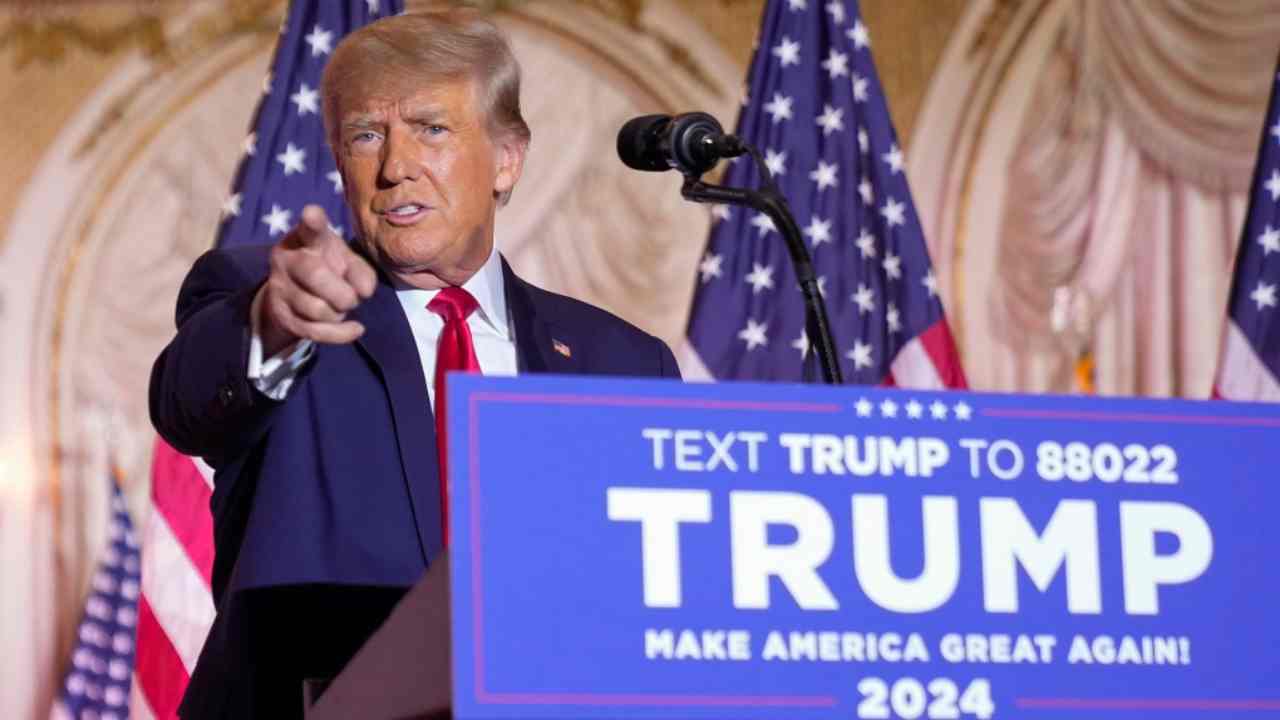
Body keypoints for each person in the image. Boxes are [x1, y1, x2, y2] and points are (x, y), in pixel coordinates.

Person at [149, 8, 680, 718]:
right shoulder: (276, 299)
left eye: (431, 129)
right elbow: (186, 405)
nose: (395, 167)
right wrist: (272, 323)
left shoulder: (623, 364)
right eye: (367, 135)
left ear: (507, 159)